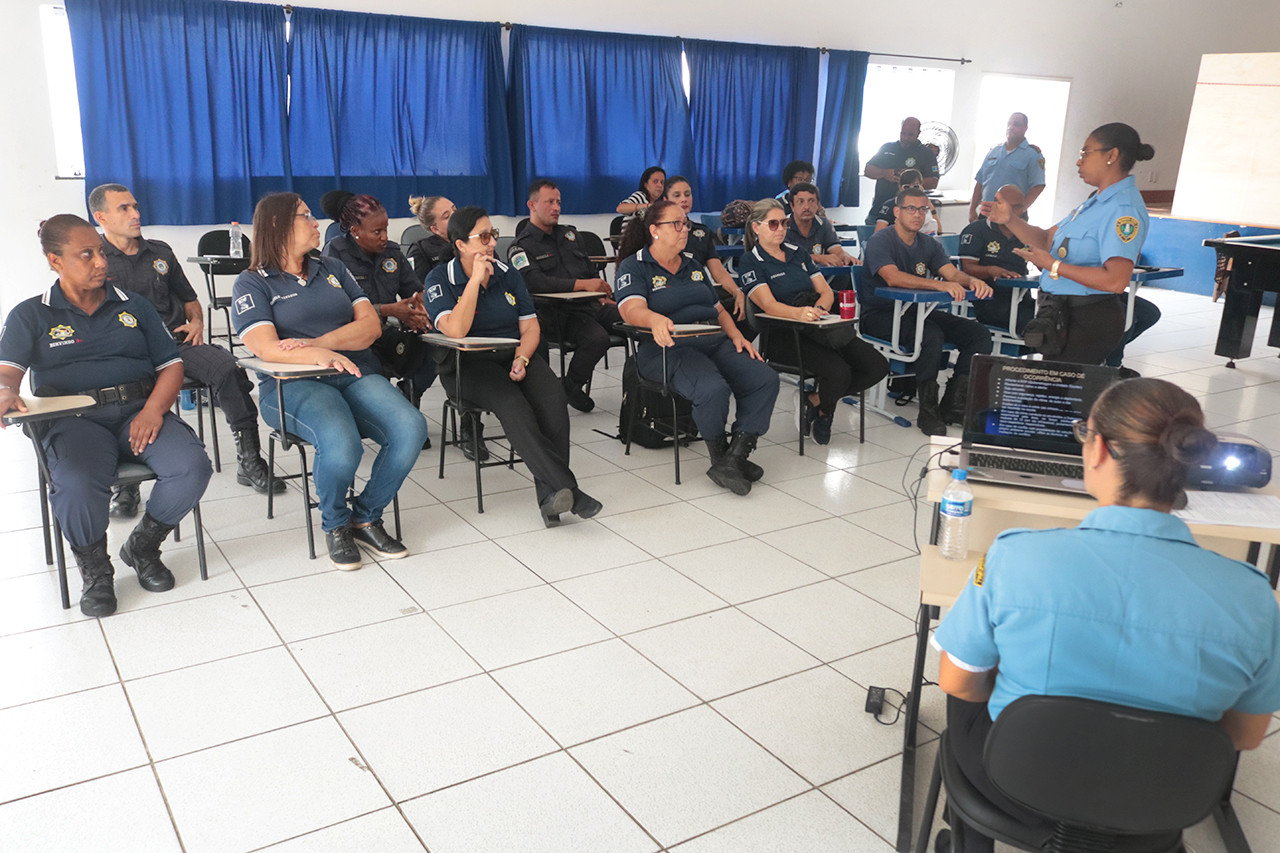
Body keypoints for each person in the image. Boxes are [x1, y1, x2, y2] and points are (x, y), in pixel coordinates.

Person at [932, 377, 1280, 853]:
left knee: (964, 675)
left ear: (1097, 450)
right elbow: (1244, 734)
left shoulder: (1016, 556)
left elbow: (958, 683)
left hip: (1014, 783)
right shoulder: (1254, 596)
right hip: (1161, 800)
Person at [0, 215, 212, 616]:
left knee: (192, 468)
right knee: (77, 482)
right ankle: (96, 571)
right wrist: (6, 391)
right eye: (87, 254)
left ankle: (143, 547)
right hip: (74, 419)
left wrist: (153, 410)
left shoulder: (136, 307)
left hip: (139, 410)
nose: (101, 262)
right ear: (54, 261)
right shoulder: (31, 315)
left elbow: (170, 366)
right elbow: (8, 372)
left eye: (100, 251)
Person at [231, 193, 429, 570]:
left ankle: (365, 515)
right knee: (343, 444)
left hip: (353, 372)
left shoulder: (332, 267)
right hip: (291, 386)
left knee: (410, 427)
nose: (316, 223)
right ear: (277, 225)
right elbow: (265, 346)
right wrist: (319, 355)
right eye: (306, 217)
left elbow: (370, 326)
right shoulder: (253, 282)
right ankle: (336, 523)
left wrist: (319, 345)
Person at [88, 183, 281, 520]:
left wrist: (196, 322)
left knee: (229, 369)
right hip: (126, 355)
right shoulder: (96, 260)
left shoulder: (160, 252)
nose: (135, 214)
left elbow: (190, 300)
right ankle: (127, 486)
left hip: (175, 345)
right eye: (124, 209)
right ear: (100, 216)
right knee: (124, 397)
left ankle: (250, 459)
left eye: (135, 206)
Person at [424, 206, 600, 525]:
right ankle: (567, 488)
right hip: (468, 366)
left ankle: (551, 498)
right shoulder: (440, 279)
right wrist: (475, 281)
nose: (492, 242)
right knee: (514, 405)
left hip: (513, 355)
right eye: (483, 236)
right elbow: (456, 330)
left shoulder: (508, 274)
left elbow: (530, 328)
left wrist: (522, 357)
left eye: (493, 234)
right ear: (460, 244)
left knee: (553, 399)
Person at [615, 201, 779, 495]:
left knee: (763, 378)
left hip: (712, 340)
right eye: (676, 224)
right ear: (654, 230)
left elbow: (718, 309)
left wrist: (737, 337)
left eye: (686, 224)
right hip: (666, 348)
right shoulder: (634, 265)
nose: (684, 229)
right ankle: (720, 455)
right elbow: (630, 310)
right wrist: (653, 319)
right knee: (712, 389)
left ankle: (735, 456)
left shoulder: (693, 264)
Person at [982, 122, 1153, 365]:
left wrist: (1054, 266)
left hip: (1089, 318)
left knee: (1060, 397)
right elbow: (1045, 239)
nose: (1078, 161)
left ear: (1111, 155)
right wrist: (1010, 220)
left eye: (1085, 153)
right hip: (1061, 314)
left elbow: (1116, 280)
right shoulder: (1094, 202)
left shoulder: (1122, 209)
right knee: (1051, 396)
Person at [738, 199, 888, 445]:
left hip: (818, 326)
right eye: (773, 224)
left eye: (784, 223)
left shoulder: (798, 253)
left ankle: (816, 401)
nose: (781, 229)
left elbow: (826, 292)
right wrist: (799, 314)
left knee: (877, 366)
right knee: (839, 372)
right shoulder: (750, 262)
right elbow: (768, 305)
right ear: (756, 227)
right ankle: (825, 413)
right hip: (783, 334)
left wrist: (817, 310)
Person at [861, 186, 993, 435]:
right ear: (897, 212)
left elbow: (952, 273)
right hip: (881, 315)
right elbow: (892, 277)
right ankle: (928, 411)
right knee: (931, 335)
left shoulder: (928, 244)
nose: (918, 215)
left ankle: (953, 404)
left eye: (923, 209)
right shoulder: (881, 240)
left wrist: (971, 281)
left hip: (918, 312)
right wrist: (940, 285)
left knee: (978, 334)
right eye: (911, 208)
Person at [320, 191, 438, 441]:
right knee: (373, 370)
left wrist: (419, 310)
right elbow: (337, 308)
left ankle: (409, 396)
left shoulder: (392, 253)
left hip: (388, 330)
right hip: (353, 338)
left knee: (435, 341)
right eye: (377, 232)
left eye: (386, 229)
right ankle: (391, 417)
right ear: (354, 230)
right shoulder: (335, 255)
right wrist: (389, 310)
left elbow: (413, 291)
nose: (385, 237)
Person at [507, 179, 623, 413]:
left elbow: (590, 271)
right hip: (554, 313)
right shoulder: (520, 247)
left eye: (558, 202)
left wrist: (599, 292)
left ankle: (643, 388)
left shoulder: (570, 235)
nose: (556, 207)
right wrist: (583, 285)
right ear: (532, 205)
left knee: (633, 318)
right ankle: (571, 387)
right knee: (597, 338)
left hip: (588, 306)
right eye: (549, 202)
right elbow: (534, 283)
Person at [655, 174, 750, 337]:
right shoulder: (660, 231)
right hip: (671, 292)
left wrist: (737, 291)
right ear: (665, 200)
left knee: (748, 305)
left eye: (687, 194)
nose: (684, 199)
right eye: (677, 195)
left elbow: (718, 272)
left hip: (701, 290)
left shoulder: (702, 232)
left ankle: (731, 345)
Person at [959, 184, 1036, 335]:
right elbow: (967, 268)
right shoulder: (976, 231)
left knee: (1052, 319)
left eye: (1018, 207)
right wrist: (991, 270)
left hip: (1021, 296)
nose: (1012, 212)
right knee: (1033, 325)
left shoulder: (1028, 234)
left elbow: (1046, 267)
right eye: (1008, 206)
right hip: (986, 298)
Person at [967, 112, 1046, 222]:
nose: (1011, 127)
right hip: (986, 213)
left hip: (1012, 217)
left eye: (1016, 124)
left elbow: (1038, 186)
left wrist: (1021, 209)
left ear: (1025, 128)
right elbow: (980, 182)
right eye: (1009, 124)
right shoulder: (994, 151)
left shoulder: (1032, 154)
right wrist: (972, 209)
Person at [863, 117, 940, 225]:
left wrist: (910, 182)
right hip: (880, 210)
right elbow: (868, 170)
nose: (906, 138)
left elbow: (933, 182)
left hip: (910, 214)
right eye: (903, 133)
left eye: (910, 135)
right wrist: (884, 173)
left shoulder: (926, 153)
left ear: (918, 133)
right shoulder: (887, 148)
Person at [785, 183, 858, 267]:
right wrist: (818, 258)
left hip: (820, 275)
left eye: (811, 201)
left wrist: (845, 256)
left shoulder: (824, 224)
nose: (806, 207)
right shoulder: (782, 225)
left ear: (818, 204)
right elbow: (783, 256)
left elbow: (836, 250)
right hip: (790, 276)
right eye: (801, 202)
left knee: (845, 275)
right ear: (792, 206)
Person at [405, 195, 455, 283]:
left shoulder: (473, 239)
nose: (455, 216)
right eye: (447, 216)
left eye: (454, 209)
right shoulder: (420, 250)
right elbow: (420, 289)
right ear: (435, 229)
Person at [873, 170, 939, 236]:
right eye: (907, 187)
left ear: (921, 187)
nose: (911, 190)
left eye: (916, 187)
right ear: (900, 187)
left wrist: (930, 207)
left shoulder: (925, 204)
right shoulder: (889, 205)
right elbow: (878, 233)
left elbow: (939, 231)